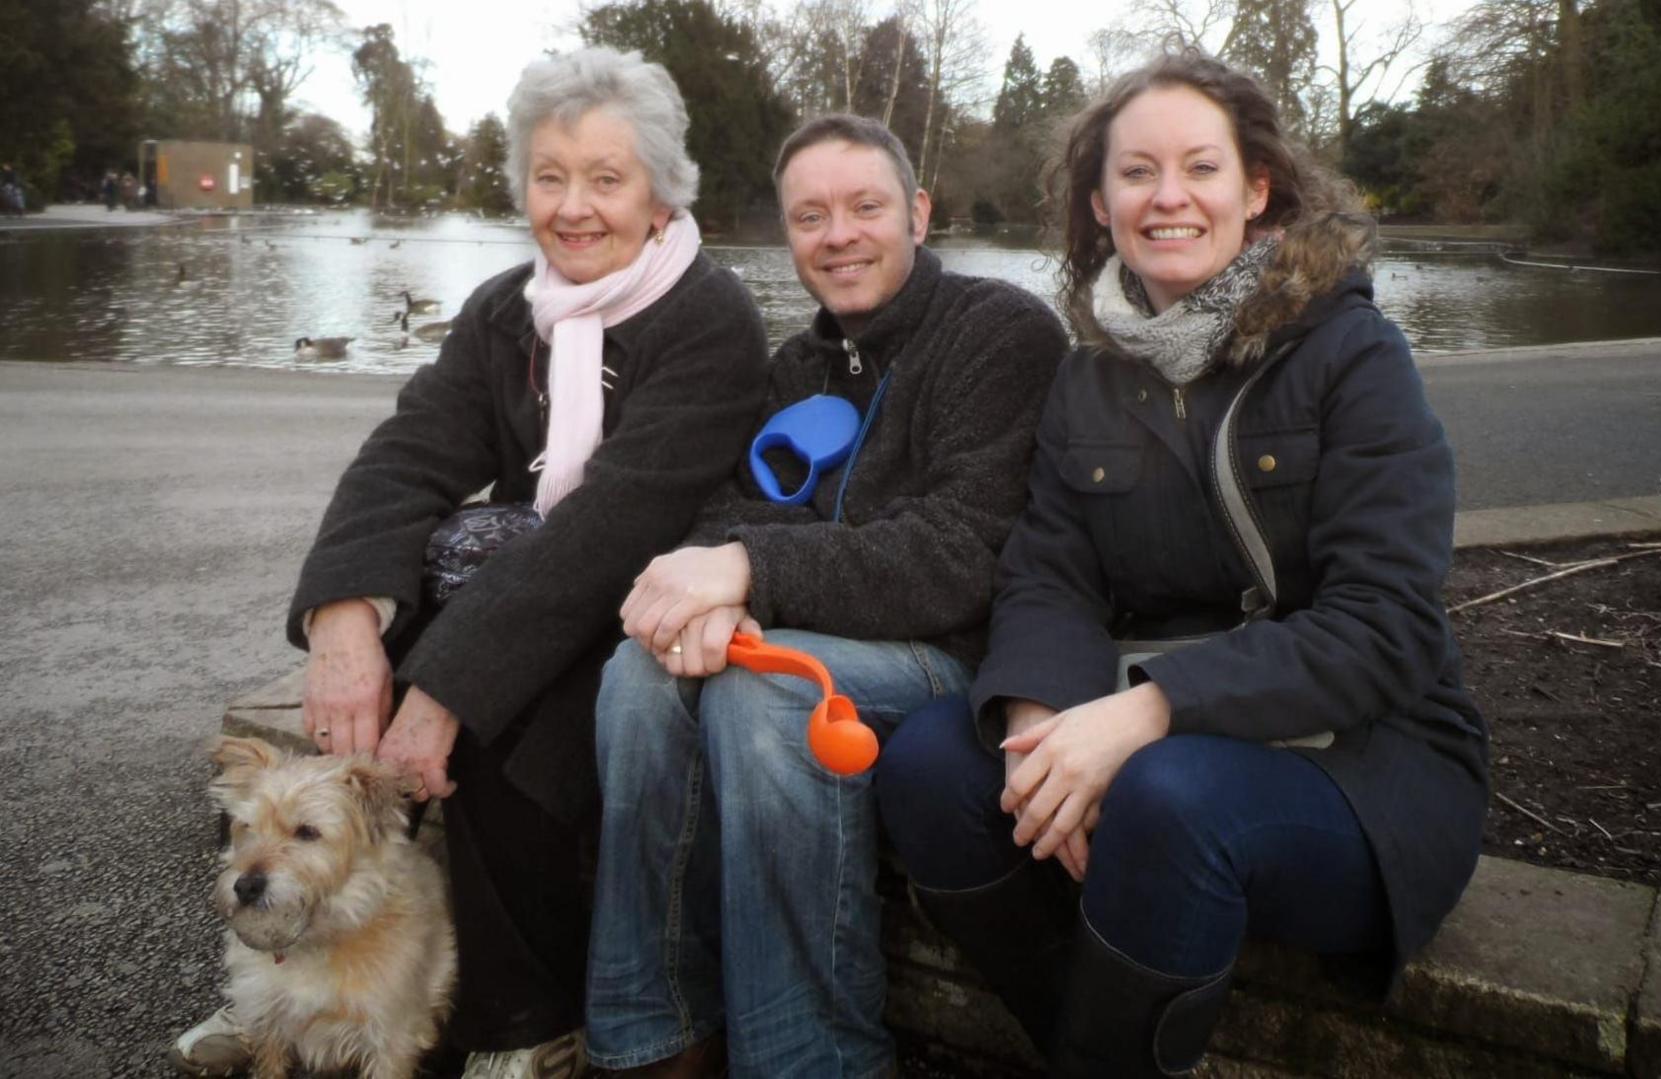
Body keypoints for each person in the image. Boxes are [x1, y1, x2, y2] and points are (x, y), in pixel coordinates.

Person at [874, 51, 1489, 1076]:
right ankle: (1090, 1042)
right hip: (1152, 727)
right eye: (1137, 172)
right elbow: (1048, 574)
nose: (1170, 197)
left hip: (1367, 762)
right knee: (937, 763)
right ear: (1098, 202)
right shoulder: (1087, 380)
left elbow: (1389, 624)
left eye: (1201, 168)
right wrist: (1040, 728)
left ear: (1256, 192)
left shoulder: (1354, 353)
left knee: (1168, 796)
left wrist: (1143, 713)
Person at [170, 47, 769, 1079]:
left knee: (503, 712)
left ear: (662, 192)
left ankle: (518, 1020)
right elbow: (408, 456)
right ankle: (300, 989)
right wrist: (343, 619)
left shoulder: (711, 318)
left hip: (648, 607)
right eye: (549, 176)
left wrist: (443, 686)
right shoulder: (506, 309)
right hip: (535, 583)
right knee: (375, 675)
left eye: (605, 178)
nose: (572, 207)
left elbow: (615, 522)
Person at [586, 114, 1067, 1077]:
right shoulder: (796, 367)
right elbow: (728, 506)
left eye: (864, 207)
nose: (838, 234)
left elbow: (959, 551)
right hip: (807, 629)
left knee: (773, 696)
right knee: (643, 672)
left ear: (917, 214)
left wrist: (751, 569)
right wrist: (724, 585)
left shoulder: (999, 332)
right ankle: (650, 1034)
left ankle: (810, 1056)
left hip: (952, 654)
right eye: (811, 216)